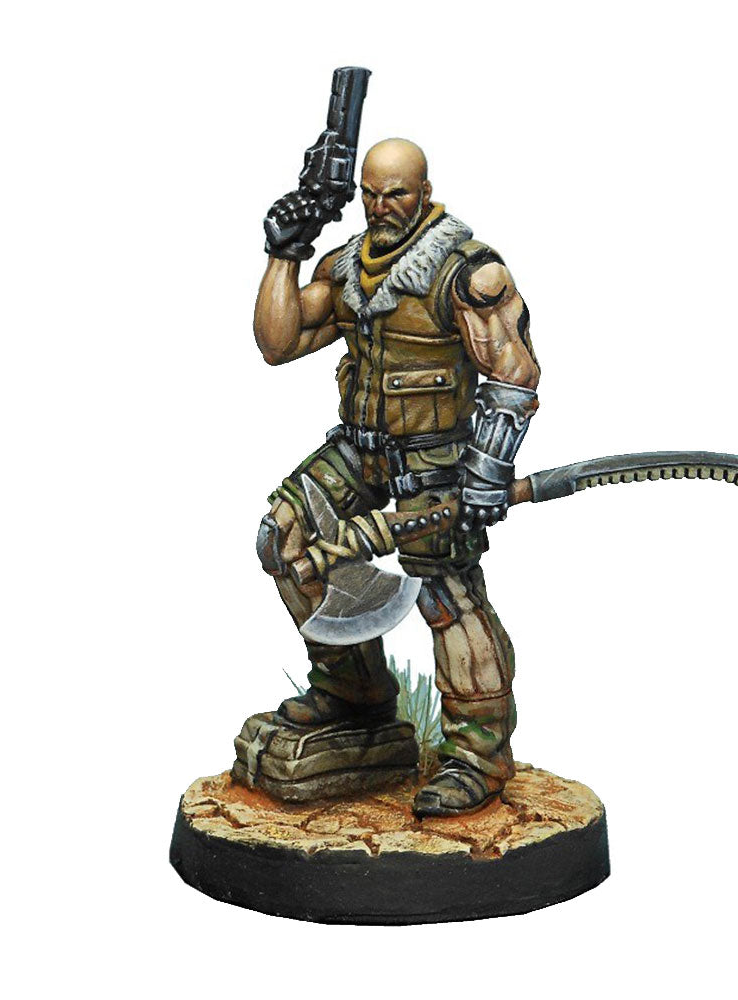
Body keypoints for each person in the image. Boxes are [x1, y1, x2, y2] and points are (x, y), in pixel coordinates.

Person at [253, 138, 540, 817]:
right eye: (371, 195)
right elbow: (278, 342)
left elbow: (514, 374)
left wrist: (486, 471)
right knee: (283, 535)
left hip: (436, 458)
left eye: (397, 194)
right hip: (361, 449)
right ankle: (354, 695)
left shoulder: (467, 273)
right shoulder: (349, 266)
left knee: (446, 591)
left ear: (425, 192)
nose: (381, 208)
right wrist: (283, 253)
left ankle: (478, 756)